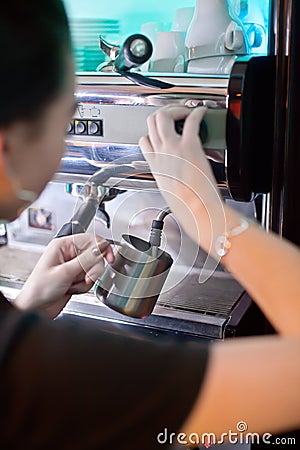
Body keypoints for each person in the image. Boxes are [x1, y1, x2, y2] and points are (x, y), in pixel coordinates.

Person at [0, 2, 299, 450]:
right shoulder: (49, 377)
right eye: (66, 120)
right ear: (6, 146)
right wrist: (209, 216)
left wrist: (26, 311)